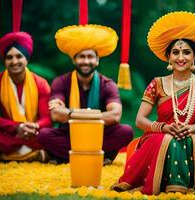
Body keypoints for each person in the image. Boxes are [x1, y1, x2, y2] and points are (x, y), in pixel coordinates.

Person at [111, 11, 195, 194]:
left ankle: (180, 184)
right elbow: (140, 120)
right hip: (162, 132)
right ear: (168, 57)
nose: (181, 57)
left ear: (194, 57)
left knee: (187, 139)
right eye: (175, 52)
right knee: (169, 139)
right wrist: (164, 127)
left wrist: (194, 128)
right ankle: (175, 185)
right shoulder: (157, 83)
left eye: (186, 52)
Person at [37, 24, 134, 164]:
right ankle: (99, 157)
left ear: (97, 60)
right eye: (81, 57)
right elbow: (56, 114)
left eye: (90, 57)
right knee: (44, 135)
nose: (86, 61)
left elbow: (115, 115)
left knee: (126, 131)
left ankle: (67, 157)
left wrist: (72, 114)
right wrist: (94, 115)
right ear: (73, 60)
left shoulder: (107, 84)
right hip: (70, 135)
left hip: (99, 135)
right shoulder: (61, 82)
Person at [0, 32, 52, 162]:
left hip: (33, 134)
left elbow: (46, 118)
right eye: (9, 57)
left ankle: (4, 156)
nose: (14, 61)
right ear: (4, 60)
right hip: (9, 134)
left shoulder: (41, 83)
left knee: (49, 136)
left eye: (19, 56)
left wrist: (34, 126)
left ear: (26, 59)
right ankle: (31, 155)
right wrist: (17, 127)